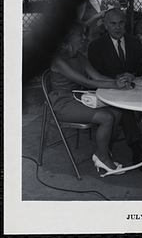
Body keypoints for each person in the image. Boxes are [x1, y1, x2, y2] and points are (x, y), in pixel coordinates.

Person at [48, 21, 131, 174]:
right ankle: (103, 158)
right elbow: (84, 81)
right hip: (63, 103)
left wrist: (120, 79)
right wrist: (114, 84)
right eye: (80, 34)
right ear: (68, 38)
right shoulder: (59, 60)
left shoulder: (78, 56)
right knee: (106, 117)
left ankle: (102, 151)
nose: (84, 38)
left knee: (117, 112)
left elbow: (98, 76)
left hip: (80, 97)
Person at [88, 8, 142, 173]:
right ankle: (137, 151)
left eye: (121, 23)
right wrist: (118, 77)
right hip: (110, 92)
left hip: (133, 88)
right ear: (105, 25)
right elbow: (97, 75)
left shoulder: (134, 41)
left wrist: (141, 73)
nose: (118, 27)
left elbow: (140, 66)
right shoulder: (96, 46)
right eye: (113, 23)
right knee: (125, 110)